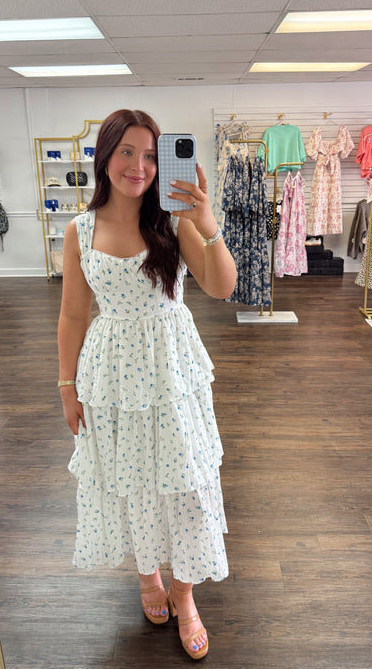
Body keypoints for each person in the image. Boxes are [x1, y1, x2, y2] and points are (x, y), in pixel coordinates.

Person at [58, 109, 236, 660]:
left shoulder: (173, 223)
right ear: (104, 156)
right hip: (111, 377)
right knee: (131, 480)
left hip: (172, 371)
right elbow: (72, 314)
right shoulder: (79, 231)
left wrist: (207, 223)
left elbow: (222, 287)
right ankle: (148, 577)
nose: (139, 166)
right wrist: (66, 385)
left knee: (186, 485)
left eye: (152, 155)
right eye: (127, 152)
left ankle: (185, 594)